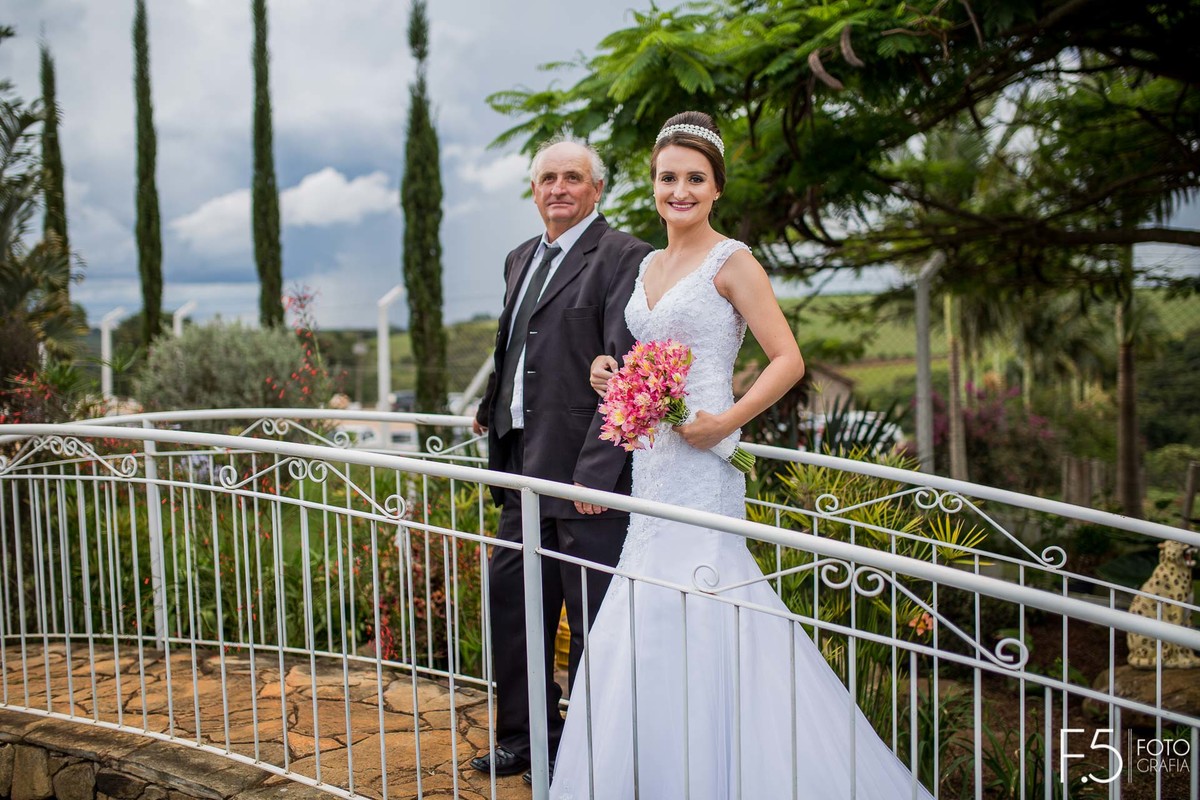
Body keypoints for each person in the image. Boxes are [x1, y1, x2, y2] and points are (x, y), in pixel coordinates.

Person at [548, 112, 935, 799]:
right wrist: (613, 374)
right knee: (644, 626)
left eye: (695, 178)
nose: (681, 190)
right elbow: (645, 358)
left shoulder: (733, 261)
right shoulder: (645, 266)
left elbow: (787, 360)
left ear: (716, 188)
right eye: (669, 177)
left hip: (703, 468)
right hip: (653, 469)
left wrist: (724, 419)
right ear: (653, 183)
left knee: (706, 615)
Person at [469, 137, 654, 783]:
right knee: (515, 607)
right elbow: (519, 346)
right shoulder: (520, 257)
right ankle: (524, 741)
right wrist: (495, 406)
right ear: (533, 189)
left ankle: (588, 751)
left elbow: (626, 370)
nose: (558, 188)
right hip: (520, 463)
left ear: (595, 189)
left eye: (572, 177)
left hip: (583, 475)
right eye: (547, 177)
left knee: (591, 617)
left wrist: (597, 475)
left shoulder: (625, 256)